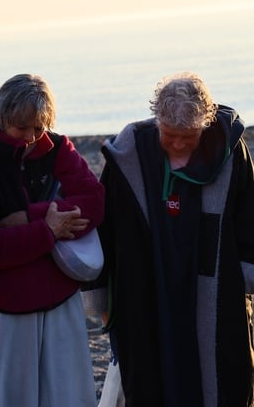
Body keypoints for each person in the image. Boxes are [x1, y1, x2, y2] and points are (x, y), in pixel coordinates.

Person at [85, 71, 254, 406]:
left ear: (205, 126)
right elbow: (106, 226)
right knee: (149, 379)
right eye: (170, 135)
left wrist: (247, 275)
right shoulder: (130, 153)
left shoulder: (230, 153)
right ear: (157, 121)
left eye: (187, 137)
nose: (177, 143)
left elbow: (247, 220)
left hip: (215, 291)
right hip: (144, 290)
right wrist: (100, 295)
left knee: (223, 379)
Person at [0, 73, 105, 407]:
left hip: (61, 300)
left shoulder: (57, 146)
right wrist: (48, 231)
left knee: (72, 400)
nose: (31, 138)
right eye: (22, 128)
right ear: (1, 118)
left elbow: (95, 201)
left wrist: (33, 217)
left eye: (39, 127)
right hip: (6, 310)